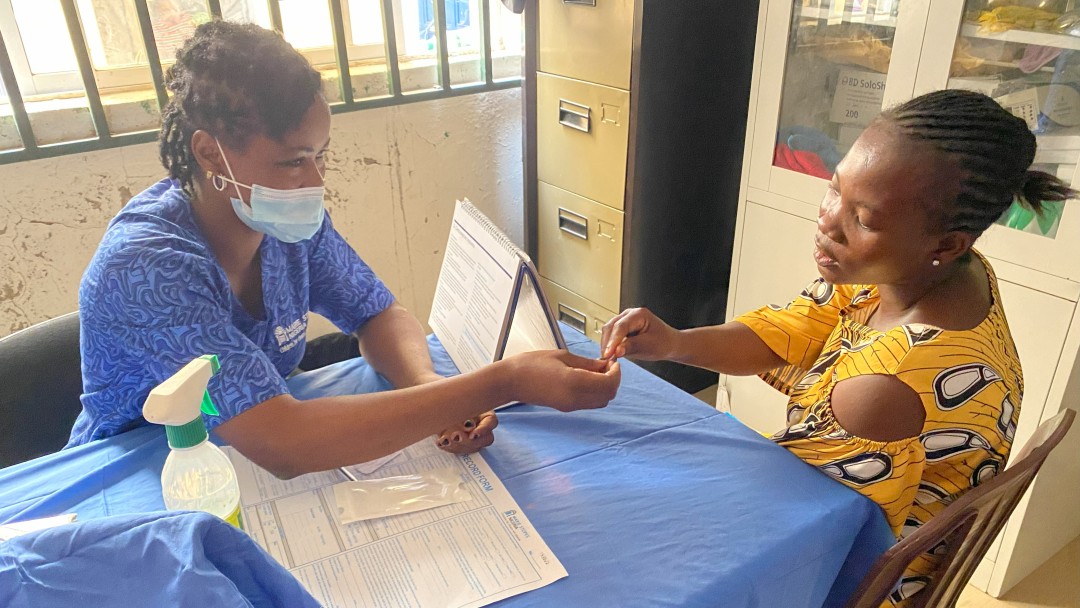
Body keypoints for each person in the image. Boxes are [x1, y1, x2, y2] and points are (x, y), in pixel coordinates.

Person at [67, 21, 620, 479]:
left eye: (320, 155)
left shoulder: (289, 229)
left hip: (236, 463)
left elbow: (377, 312)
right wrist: (503, 380)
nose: (315, 181)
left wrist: (429, 389)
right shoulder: (146, 267)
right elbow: (285, 442)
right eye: (292, 162)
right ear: (211, 154)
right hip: (138, 475)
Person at [601, 89, 1074, 606]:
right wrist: (675, 342)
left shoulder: (884, 387)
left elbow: (791, 531)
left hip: (852, 578)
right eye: (834, 189)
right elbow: (791, 330)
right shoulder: (932, 274)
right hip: (842, 516)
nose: (828, 221)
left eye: (863, 219)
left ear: (945, 243)